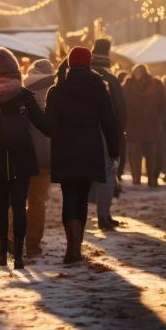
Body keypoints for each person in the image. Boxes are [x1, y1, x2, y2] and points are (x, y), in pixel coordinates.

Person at [0, 47, 50, 269]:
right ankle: (20, 257)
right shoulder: (24, 96)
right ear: (15, 73)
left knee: (1, 206)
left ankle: (2, 254)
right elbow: (45, 126)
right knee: (19, 204)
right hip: (22, 159)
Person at [44, 47, 120, 263]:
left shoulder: (57, 90)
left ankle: (72, 247)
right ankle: (77, 246)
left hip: (65, 149)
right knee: (83, 199)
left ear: (69, 63)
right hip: (90, 148)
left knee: (69, 196)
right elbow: (109, 122)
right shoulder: (98, 88)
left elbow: (49, 125)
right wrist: (114, 152)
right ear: (88, 63)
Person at [15, 59, 55, 256]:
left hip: (22, 152)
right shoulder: (54, 90)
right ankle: (32, 243)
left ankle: (13, 239)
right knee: (37, 200)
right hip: (45, 154)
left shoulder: (21, 90)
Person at [89, 39, 126, 230]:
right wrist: (120, 133)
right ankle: (104, 215)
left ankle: (79, 218)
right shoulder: (111, 81)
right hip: (105, 133)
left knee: (83, 176)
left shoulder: (77, 78)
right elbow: (120, 110)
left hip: (81, 134)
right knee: (108, 175)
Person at [123, 64, 165, 186]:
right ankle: (137, 179)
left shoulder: (156, 85)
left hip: (150, 125)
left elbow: (163, 104)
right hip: (134, 125)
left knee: (151, 156)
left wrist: (159, 118)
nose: (137, 74)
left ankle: (151, 179)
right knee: (135, 155)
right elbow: (123, 104)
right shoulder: (128, 85)